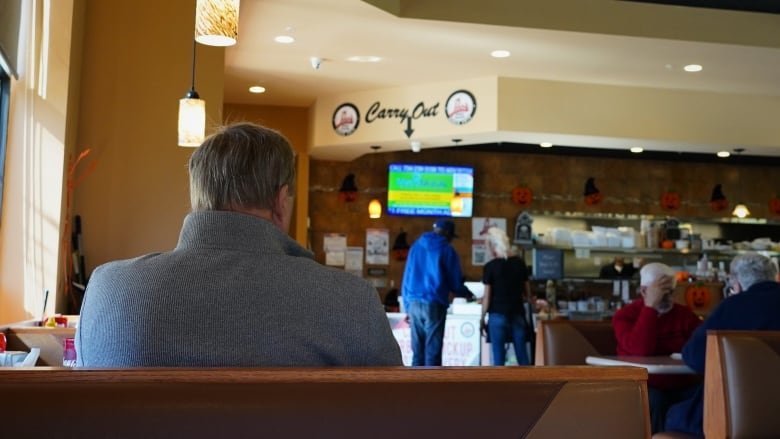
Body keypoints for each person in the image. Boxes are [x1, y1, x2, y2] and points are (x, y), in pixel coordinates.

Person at [76, 122, 402, 367]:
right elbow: (392, 411)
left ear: (197, 198)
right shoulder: (346, 299)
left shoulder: (107, 288)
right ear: (280, 200)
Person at [664, 253, 780, 437]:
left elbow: (695, 357)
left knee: (671, 413)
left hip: (736, 416)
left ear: (737, 284)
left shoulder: (734, 306)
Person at [612, 262, 701, 434]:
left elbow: (701, 345)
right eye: (661, 292)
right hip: (641, 384)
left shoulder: (684, 315)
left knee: (705, 393)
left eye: (671, 292)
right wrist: (650, 308)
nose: (668, 297)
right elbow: (641, 350)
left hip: (681, 383)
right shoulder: (625, 316)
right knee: (655, 399)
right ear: (644, 291)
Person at [401, 219, 463, 366]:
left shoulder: (416, 246)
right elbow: (455, 282)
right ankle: (432, 388)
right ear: (447, 234)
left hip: (414, 304)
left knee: (417, 354)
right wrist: (467, 294)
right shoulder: (447, 250)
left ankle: (414, 388)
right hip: (434, 304)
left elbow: (407, 277)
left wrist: (407, 306)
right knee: (433, 355)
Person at [480, 227, 531, 366]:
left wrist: (482, 318)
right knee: (523, 358)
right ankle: (529, 386)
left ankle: (499, 387)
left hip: (497, 315)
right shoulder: (520, 264)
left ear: (492, 246)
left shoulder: (490, 267)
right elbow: (527, 294)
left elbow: (487, 297)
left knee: (498, 359)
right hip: (517, 314)